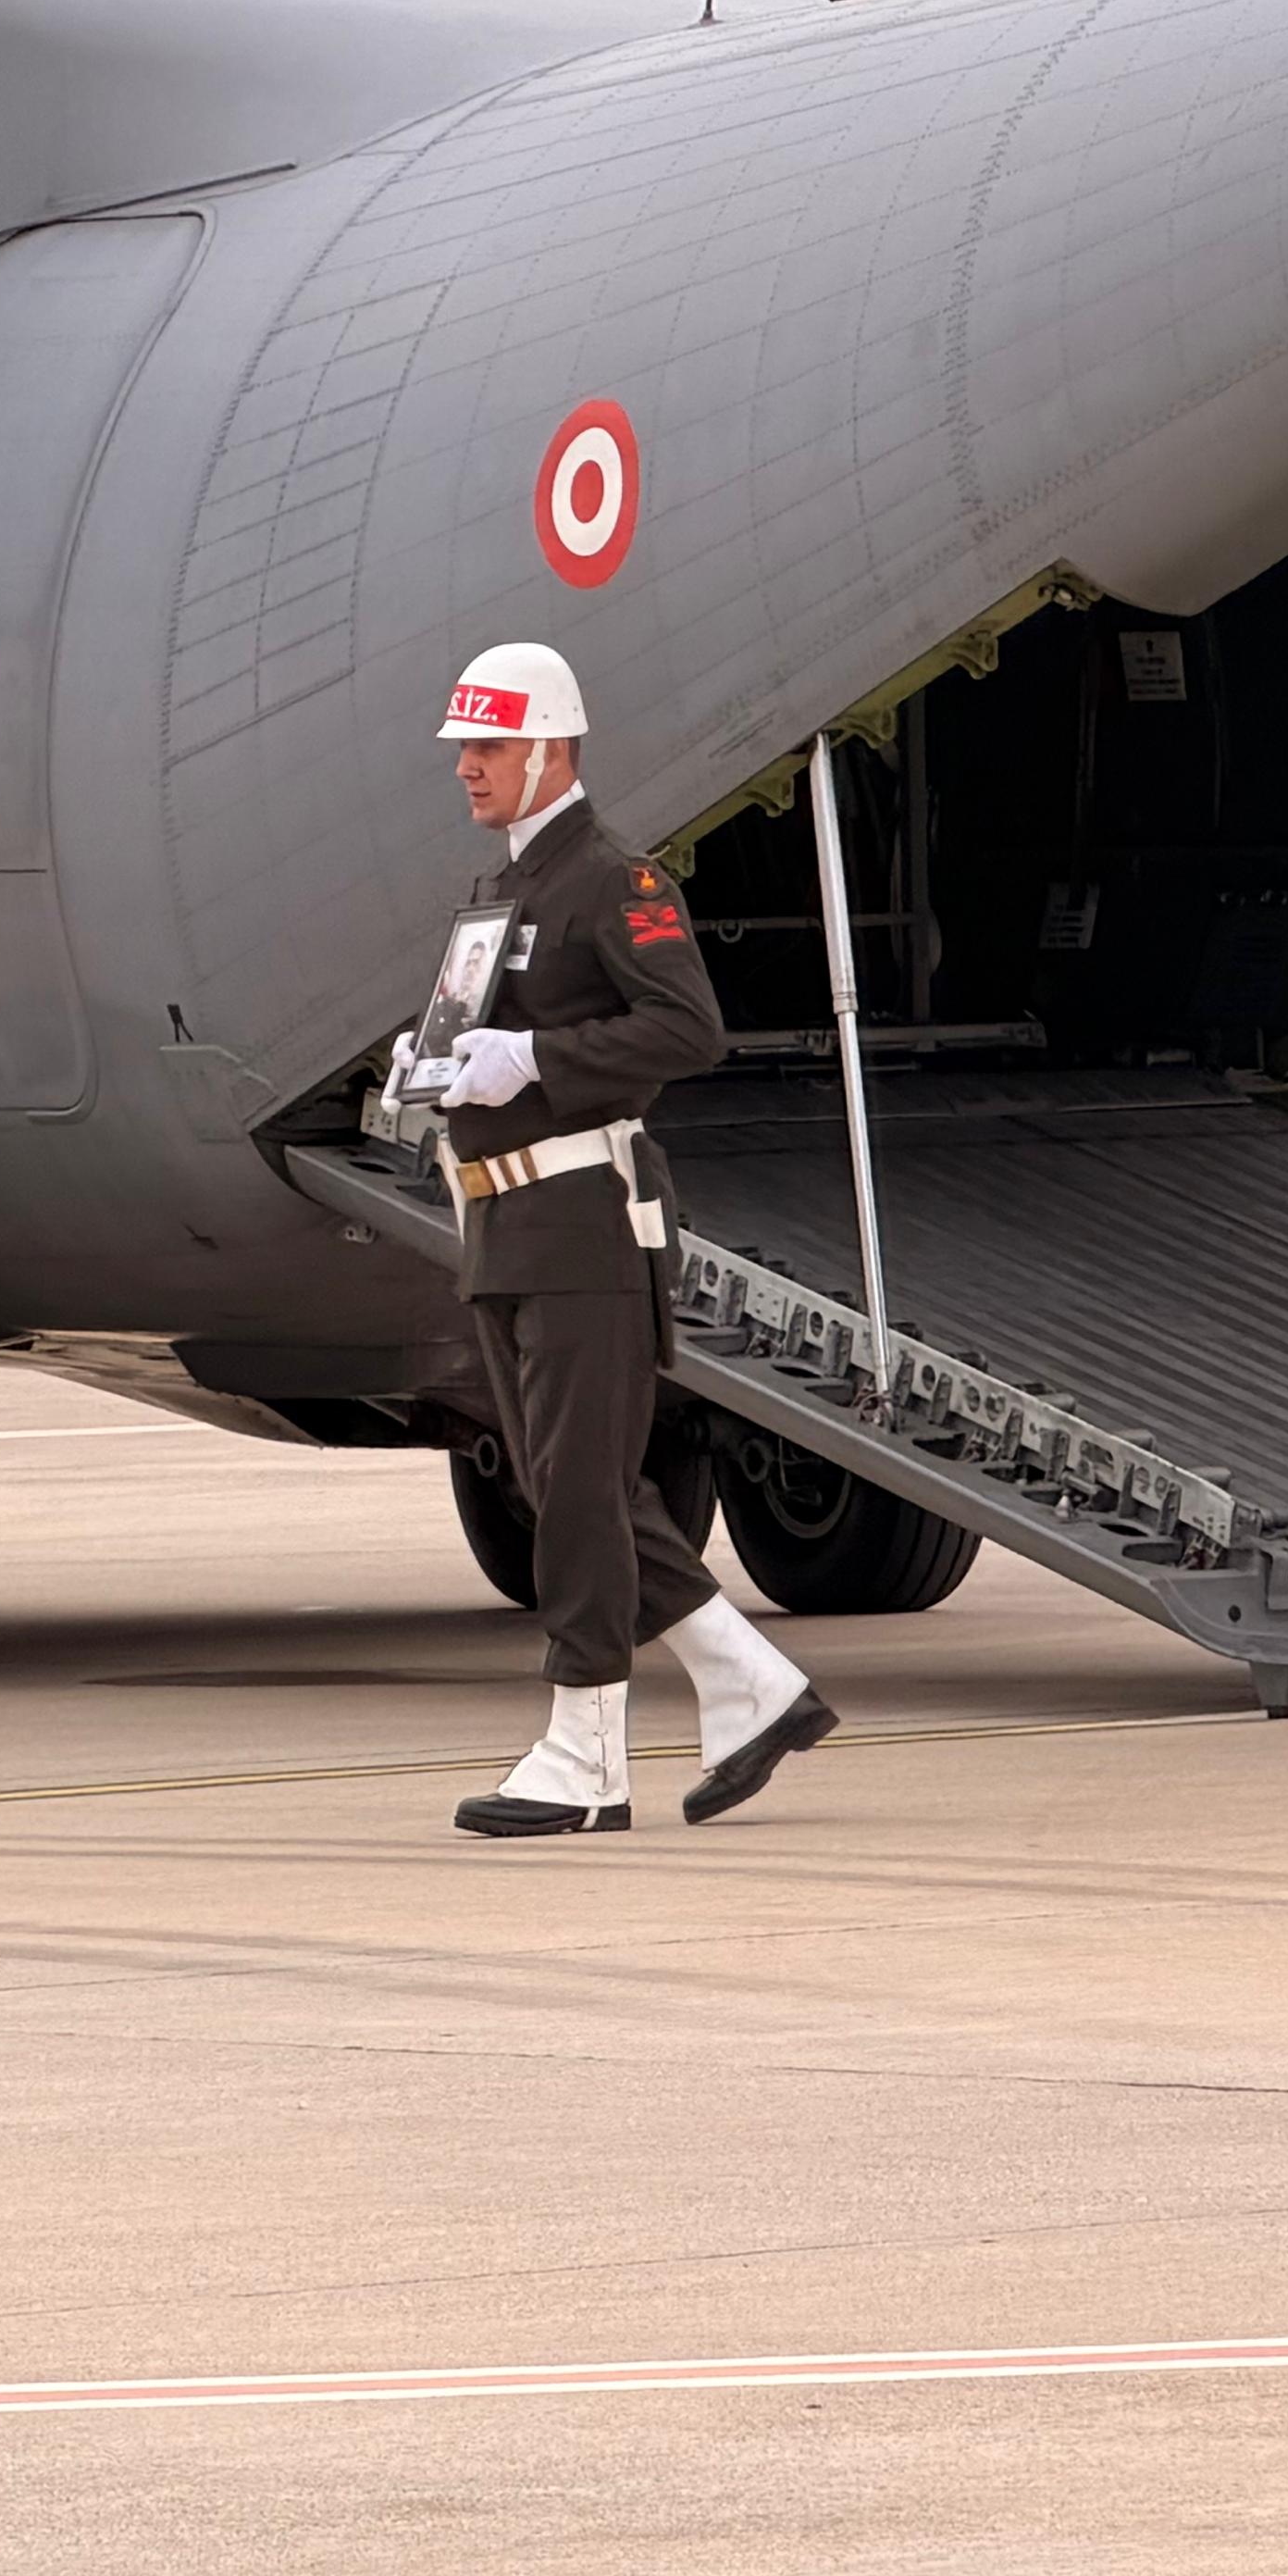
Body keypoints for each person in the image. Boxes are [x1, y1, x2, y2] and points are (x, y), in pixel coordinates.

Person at [415, 642, 824, 1839]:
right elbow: (492, 1035)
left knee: (581, 1494)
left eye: (489, 745)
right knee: (565, 1484)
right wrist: (433, 1067)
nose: (469, 767)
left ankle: (587, 1752)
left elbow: (688, 1029)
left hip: (584, 1220)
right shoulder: (504, 889)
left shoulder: (612, 879)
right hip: (504, 1221)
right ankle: (750, 1681)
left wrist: (538, 1059)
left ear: (550, 749)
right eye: (464, 747)